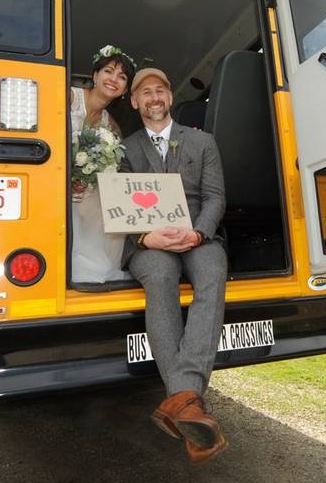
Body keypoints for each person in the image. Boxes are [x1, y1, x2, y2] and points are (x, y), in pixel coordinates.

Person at [120, 67, 228, 464]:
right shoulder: (125, 148)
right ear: (134, 102)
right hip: (149, 240)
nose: (154, 97)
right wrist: (145, 238)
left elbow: (216, 198)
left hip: (197, 235)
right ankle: (188, 403)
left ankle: (180, 400)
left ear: (170, 96)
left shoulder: (202, 141)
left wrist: (198, 233)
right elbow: (117, 203)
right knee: (161, 275)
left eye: (160, 90)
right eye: (145, 92)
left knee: (214, 273)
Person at [70, 46, 136, 288]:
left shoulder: (112, 125)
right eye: (108, 71)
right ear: (95, 75)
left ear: (125, 89)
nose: (114, 80)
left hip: (83, 185)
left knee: (109, 202)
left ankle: (102, 269)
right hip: (52, 177)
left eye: (122, 77)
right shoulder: (69, 97)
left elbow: (111, 165)